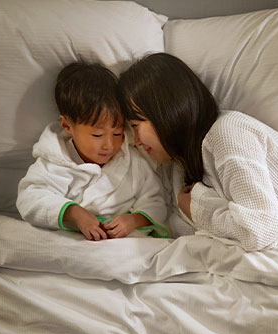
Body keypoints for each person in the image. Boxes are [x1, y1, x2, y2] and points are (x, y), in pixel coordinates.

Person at [116, 52, 278, 252]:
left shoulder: (228, 134)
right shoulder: (178, 166)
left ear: (165, 111)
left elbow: (262, 229)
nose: (135, 141)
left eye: (136, 125)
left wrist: (199, 206)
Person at [16, 61, 168, 240]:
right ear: (67, 125)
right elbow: (29, 198)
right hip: (71, 240)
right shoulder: (55, 161)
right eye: (97, 135)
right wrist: (75, 213)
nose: (110, 145)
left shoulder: (131, 160)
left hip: (125, 241)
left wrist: (134, 220)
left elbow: (155, 199)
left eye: (117, 133)